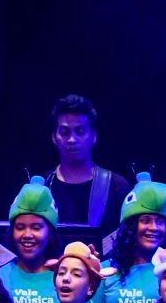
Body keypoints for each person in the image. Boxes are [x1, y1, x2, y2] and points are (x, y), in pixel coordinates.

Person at [43, 94, 131, 235]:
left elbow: (129, 239)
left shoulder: (117, 186)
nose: (72, 139)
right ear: (54, 137)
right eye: (65, 132)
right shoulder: (42, 186)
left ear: (94, 135)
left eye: (80, 131)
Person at [93, 173, 166, 303]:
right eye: (145, 221)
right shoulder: (103, 271)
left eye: (160, 222)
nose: (154, 228)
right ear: (130, 227)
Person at [0, 178, 62, 303]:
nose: (27, 235)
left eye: (36, 228)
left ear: (50, 233)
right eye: (20, 228)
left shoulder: (64, 276)